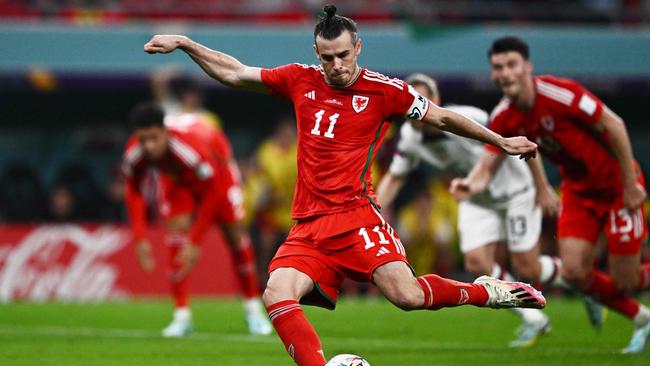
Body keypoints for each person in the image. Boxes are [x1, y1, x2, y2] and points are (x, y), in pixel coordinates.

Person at [143, 6, 545, 365]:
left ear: (358, 48)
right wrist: (186, 43)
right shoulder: (299, 79)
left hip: (357, 218)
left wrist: (499, 141)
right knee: (277, 293)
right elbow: (234, 72)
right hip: (308, 226)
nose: (336, 65)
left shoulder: (385, 91)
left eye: (343, 56)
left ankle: (485, 292)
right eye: (328, 57)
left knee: (407, 297)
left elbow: (440, 118)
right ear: (316, 54)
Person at [452, 36, 650, 354]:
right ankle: (641, 319)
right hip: (578, 191)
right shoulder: (504, 116)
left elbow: (614, 125)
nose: (505, 73)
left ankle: (636, 311)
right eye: (498, 67)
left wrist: (630, 182)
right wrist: (469, 185)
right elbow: (487, 166)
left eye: (511, 65)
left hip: (618, 188)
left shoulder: (561, 94)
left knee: (626, 281)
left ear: (527, 67)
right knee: (572, 273)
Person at [376, 73, 552, 348]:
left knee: (528, 265)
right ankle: (531, 315)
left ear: (436, 101)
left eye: (424, 98)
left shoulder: (467, 117)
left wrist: (542, 187)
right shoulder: (409, 136)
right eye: (413, 99)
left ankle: (580, 280)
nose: (418, 106)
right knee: (476, 263)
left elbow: (516, 140)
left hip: (515, 192)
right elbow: (395, 177)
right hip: (475, 197)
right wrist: (374, 209)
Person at [122, 103, 272, 337]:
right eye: (143, 140)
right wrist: (140, 237)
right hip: (177, 179)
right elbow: (133, 189)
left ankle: (253, 309)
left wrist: (194, 240)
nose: (148, 147)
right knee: (174, 231)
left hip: (218, 173)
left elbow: (212, 191)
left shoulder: (190, 149)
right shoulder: (134, 153)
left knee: (235, 236)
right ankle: (182, 317)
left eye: (153, 139)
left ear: (165, 133)